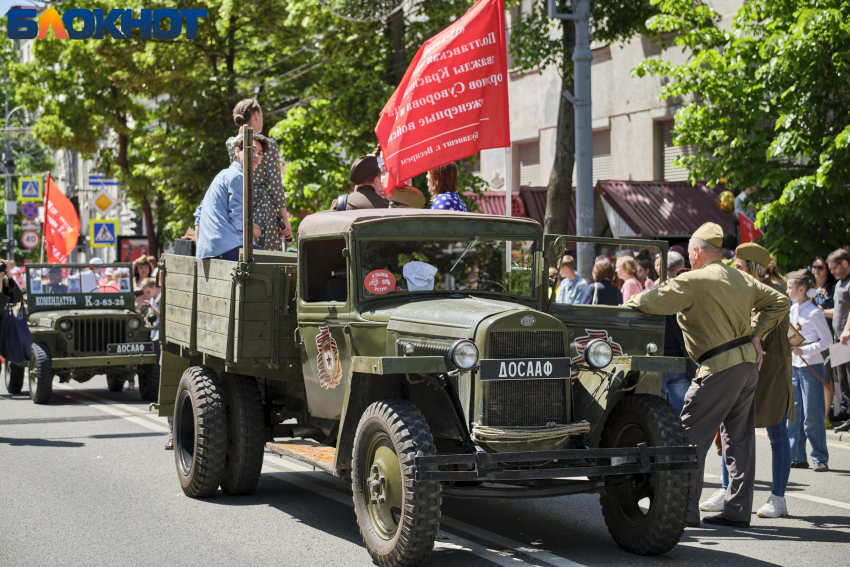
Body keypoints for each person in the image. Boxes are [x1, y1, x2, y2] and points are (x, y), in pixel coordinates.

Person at [625, 222, 789, 528]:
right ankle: (737, 511)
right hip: (746, 365)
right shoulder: (740, 277)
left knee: (688, 439)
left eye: (690, 252)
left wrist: (627, 303)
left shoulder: (693, 280)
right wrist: (756, 335)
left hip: (717, 367)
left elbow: (646, 300)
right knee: (739, 441)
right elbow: (781, 301)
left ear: (697, 252)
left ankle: (685, 511)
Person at [701, 243, 795, 518]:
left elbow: (761, 321)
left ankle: (778, 498)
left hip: (772, 366)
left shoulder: (774, 291)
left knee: (777, 432)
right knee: (731, 427)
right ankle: (726, 488)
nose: (735, 271)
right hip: (744, 363)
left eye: (740, 267)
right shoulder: (742, 289)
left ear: (754, 269)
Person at [227, 99, 292, 250]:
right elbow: (276, 184)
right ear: (256, 115)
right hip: (264, 207)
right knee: (268, 258)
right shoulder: (267, 144)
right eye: (261, 115)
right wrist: (286, 221)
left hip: (241, 204)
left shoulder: (232, 144)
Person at [786, 269, 831, 472]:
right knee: (795, 414)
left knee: (812, 414)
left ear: (801, 289)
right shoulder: (792, 309)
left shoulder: (814, 312)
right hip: (795, 365)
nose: (786, 290)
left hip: (811, 365)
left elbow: (827, 341)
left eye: (789, 287)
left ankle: (819, 457)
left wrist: (803, 349)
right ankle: (797, 456)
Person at [196, 134, 264, 260]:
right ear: (237, 151)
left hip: (210, 250)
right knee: (278, 262)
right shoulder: (238, 176)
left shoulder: (223, 174)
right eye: (252, 150)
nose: (256, 156)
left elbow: (198, 215)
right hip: (227, 248)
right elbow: (239, 222)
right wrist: (254, 230)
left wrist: (200, 251)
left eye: (260, 153)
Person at [660, 251, 691, 413]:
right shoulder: (690, 292)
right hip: (681, 359)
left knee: (657, 412)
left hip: (658, 359)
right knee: (682, 413)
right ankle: (682, 439)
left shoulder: (656, 292)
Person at [827, 248, 850, 432]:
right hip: (838, 340)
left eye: (833, 267)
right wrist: (822, 312)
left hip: (847, 339)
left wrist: (847, 329)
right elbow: (839, 310)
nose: (831, 271)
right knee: (843, 380)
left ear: (844, 263)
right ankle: (848, 415)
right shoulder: (840, 283)